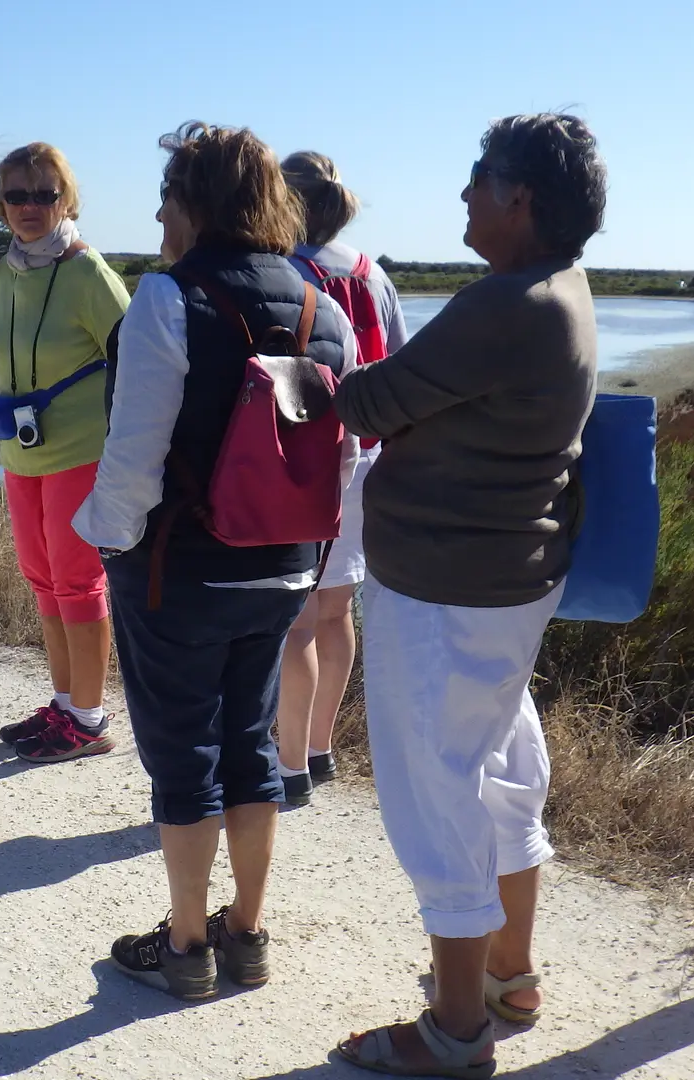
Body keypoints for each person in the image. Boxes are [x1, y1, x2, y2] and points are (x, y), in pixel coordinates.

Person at [333, 113, 606, 1079]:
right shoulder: (562, 290)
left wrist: (307, 373)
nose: (463, 194)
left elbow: (371, 400)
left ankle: (453, 1030)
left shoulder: (508, 302)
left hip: (444, 585)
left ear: (521, 195)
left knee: (434, 788)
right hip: (505, 581)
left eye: (478, 177)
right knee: (498, 763)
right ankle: (509, 976)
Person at [72, 122, 357, 1001]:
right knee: (252, 748)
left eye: (167, 194)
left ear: (196, 201)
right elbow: (331, 453)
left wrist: (107, 542)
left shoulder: (169, 298)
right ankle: (249, 933)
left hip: (180, 570)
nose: (158, 212)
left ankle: (187, 948)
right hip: (283, 568)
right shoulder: (324, 308)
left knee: (184, 757)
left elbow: (133, 456)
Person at [0, 143, 132, 764]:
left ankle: (90, 719)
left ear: (66, 200)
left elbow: (136, 361)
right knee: (44, 582)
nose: (30, 207)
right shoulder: (9, 269)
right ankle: (66, 704)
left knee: (77, 583)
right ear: (1, 204)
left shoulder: (88, 271)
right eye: (17, 195)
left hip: (81, 453)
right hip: (23, 453)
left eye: (44, 194)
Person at [273, 151, 409, 807]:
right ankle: (322, 749)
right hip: (370, 459)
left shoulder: (283, 275)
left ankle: (289, 764)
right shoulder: (371, 273)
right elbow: (400, 365)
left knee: (295, 621)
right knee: (335, 613)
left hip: (305, 459)